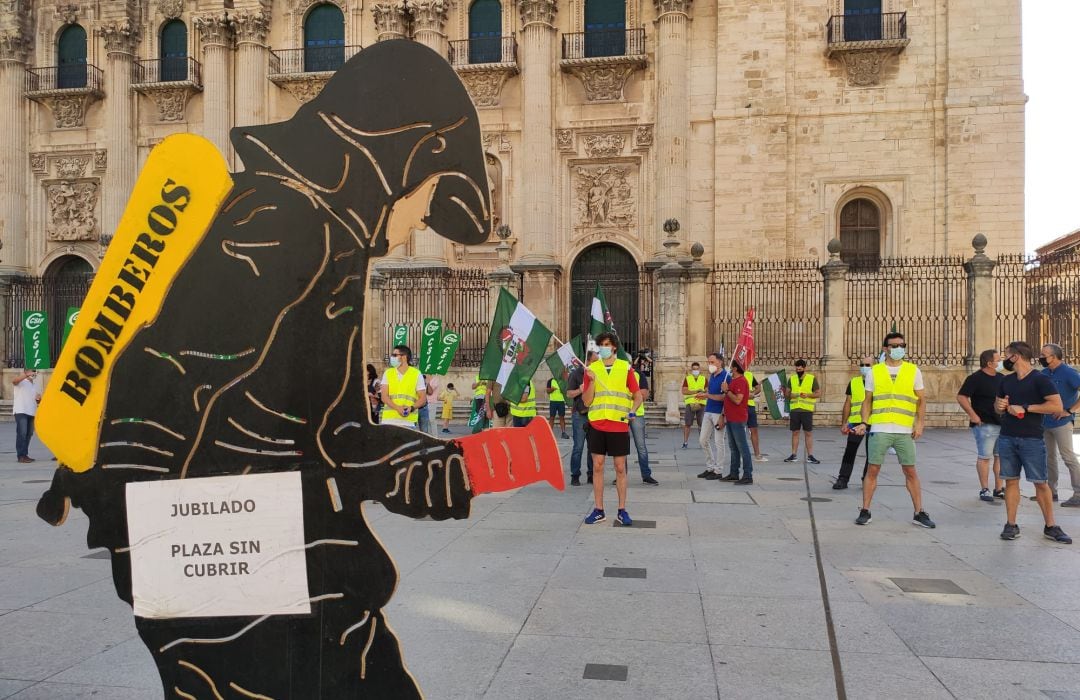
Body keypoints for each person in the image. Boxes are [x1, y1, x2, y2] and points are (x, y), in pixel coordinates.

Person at [853, 332, 935, 529]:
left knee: (910, 470)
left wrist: (920, 423)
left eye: (902, 345)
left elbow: (921, 399)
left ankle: (919, 512)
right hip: (880, 428)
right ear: (885, 349)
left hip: (904, 429)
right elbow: (868, 400)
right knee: (873, 469)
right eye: (894, 345)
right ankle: (865, 510)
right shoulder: (875, 371)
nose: (898, 348)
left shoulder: (913, 370)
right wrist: (864, 422)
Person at [994, 341, 1071, 543]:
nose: (1004, 359)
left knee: (1040, 483)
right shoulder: (1006, 381)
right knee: (1010, 480)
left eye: (1006, 355)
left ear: (1015, 356)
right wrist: (1000, 405)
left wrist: (1026, 407)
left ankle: (1051, 525)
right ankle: (1011, 524)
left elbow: (1056, 406)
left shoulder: (1040, 380)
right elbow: (998, 405)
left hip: (1032, 439)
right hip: (1007, 437)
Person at [582, 332, 642, 526]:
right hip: (597, 423)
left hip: (618, 424)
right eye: (600, 345)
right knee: (598, 466)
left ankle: (622, 510)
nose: (603, 348)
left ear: (614, 347)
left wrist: (633, 410)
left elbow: (637, 395)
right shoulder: (591, 369)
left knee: (619, 468)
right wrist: (590, 381)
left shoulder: (625, 368)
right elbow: (587, 400)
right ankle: (599, 510)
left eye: (606, 344)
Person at [956, 349, 1006, 502]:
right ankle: (985, 489)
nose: (1000, 362)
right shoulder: (975, 378)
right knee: (985, 456)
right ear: (990, 363)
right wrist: (973, 415)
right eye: (998, 360)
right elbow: (962, 396)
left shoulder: (1002, 378)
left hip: (1002, 423)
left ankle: (999, 488)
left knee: (1000, 457)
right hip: (985, 423)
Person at [1038, 343, 1080, 507]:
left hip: (1062, 423)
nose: (1041, 357)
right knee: (1049, 458)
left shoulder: (1069, 373)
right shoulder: (1044, 373)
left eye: (1044, 354)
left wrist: (1069, 411)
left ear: (1053, 357)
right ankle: (1051, 492)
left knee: (1069, 457)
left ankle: (1078, 494)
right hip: (1045, 422)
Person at [834, 356, 875, 490]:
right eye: (862, 364)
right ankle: (843, 479)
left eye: (868, 365)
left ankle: (867, 479)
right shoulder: (854, 382)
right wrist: (844, 423)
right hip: (856, 422)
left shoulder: (879, 383)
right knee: (850, 451)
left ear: (874, 366)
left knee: (872, 454)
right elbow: (848, 403)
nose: (864, 367)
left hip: (874, 422)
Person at [616, 367, 658, 486]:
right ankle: (621, 474)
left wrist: (629, 395)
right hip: (621, 414)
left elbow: (643, 395)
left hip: (637, 414)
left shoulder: (639, 374)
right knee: (621, 448)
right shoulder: (616, 374)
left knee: (641, 446)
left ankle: (646, 475)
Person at [565, 351, 597, 486]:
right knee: (578, 446)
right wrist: (580, 390)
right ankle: (575, 475)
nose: (597, 363)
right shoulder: (576, 374)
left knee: (593, 447)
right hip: (580, 414)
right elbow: (569, 393)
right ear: (588, 361)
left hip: (594, 414)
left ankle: (591, 475)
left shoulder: (597, 375)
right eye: (595, 361)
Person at [698, 352, 730, 480]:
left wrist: (707, 396)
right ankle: (710, 466)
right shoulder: (712, 376)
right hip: (708, 410)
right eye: (708, 362)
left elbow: (724, 397)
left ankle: (718, 470)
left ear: (720, 362)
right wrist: (704, 393)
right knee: (703, 440)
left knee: (719, 442)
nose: (709, 364)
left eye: (712, 362)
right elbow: (711, 392)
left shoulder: (726, 376)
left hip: (718, 412)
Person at [783, 359, 821, 464]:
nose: (798, 370)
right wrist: (793, 395)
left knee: (808, 433)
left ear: (804, 368)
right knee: (795, 432)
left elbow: (818, 393)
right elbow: (786, 394)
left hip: (807, 410)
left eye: (800, 368)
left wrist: (808, 395)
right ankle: (793, 455)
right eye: (797, 368)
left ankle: (810, 456)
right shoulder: (792, 379)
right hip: (795, 409)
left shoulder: (812, 379)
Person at [723, 360, 754, 484]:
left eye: (731, 367)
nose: (729, 369)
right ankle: (734, 473)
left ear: (735, 368)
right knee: (733, 447)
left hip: (738, 418)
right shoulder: (733, 381)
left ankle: (747, 475)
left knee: (742, 447)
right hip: (730, 418)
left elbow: (737, 400)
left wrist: (727, 391)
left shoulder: (741, 381)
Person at [380, 345, 426, 429]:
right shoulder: (388, 373)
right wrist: (397, 408)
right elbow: (384, 397)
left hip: (408, 422)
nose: (392, 357)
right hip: (389, 421)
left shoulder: (416, 374)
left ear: (404, 357)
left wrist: (411, 408)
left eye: (394, 355)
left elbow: (423, 399)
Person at [12, 367, 41, 463]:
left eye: (35, 371)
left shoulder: (35, 384)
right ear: (26, 372)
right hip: (21, 411)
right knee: (22, 433)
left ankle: (25, 454)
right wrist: (26, 375)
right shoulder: (21, 381)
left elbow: (36, 400)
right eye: (32, 371)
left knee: (29, 434)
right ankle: (21, 456)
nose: (34, 373)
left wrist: (38, 399)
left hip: (32, 412)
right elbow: (14, 381)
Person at [743, 367, 767, 461]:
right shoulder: (731, 375)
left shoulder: (749, 375)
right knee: (740, 432)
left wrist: (752, 393)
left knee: (754, 430)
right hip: (739, 406)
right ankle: (741, 455)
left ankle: (757, 455)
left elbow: (758, 388)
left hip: (750, 406)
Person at [681, 361, 707, 448]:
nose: (695, 370)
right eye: (694, 369)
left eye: (697, 369)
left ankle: (702, 443)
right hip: (690, 403)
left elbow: (707, 390)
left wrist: (703, 392)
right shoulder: (687, 378)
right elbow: (684, 391)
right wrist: (696, 391)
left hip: (701, 403)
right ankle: (685, 442)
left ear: (699, 369)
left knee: (701, 424)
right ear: (691, 370)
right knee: (687, 424)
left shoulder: (704, 379)